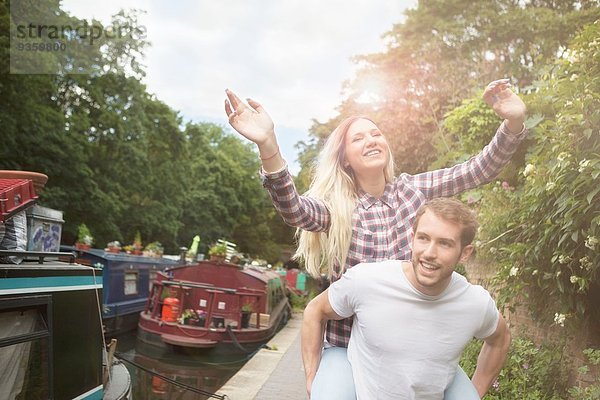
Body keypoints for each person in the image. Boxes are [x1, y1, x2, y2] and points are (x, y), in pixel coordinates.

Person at [224, 78, 526, 398]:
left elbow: (476, 171)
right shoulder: (338, 208)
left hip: (412, 347)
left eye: (376, 133)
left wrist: (514, 121)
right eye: (358, 138)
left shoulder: (413, 190)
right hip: (346, 344)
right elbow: (294, 210)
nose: (371, 139)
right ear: (345, 159)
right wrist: (268, 146)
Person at [302, 197, 511, 399]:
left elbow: (500, 339)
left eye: (445, 244)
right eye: (423, 238)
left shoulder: (474, 303)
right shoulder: (367, 280)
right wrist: (312, 378)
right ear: (413, 238)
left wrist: (476, 391)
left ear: (465, 254)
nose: (429, 253)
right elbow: (315, 310)